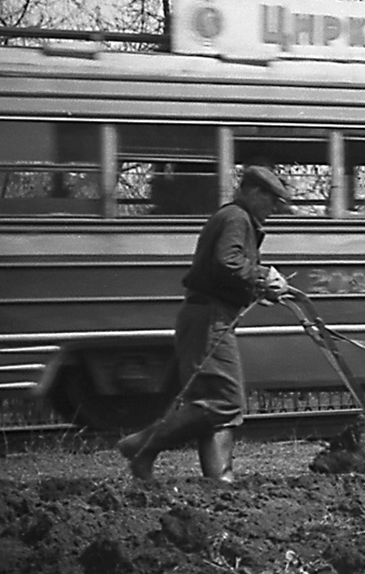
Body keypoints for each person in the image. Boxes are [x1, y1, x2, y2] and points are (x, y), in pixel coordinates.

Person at [116, 166, 292, 482]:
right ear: (254, 192)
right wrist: (263, 276)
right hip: (210, 319)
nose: (275, 209)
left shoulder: (232, 217)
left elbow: (223, 271)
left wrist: (258, 290)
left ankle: (220, 481)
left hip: (208, 316)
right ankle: (141, 444)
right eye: (272, 201)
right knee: (225, 400)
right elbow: (228, 262)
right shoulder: (237, 218)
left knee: (216, 402)